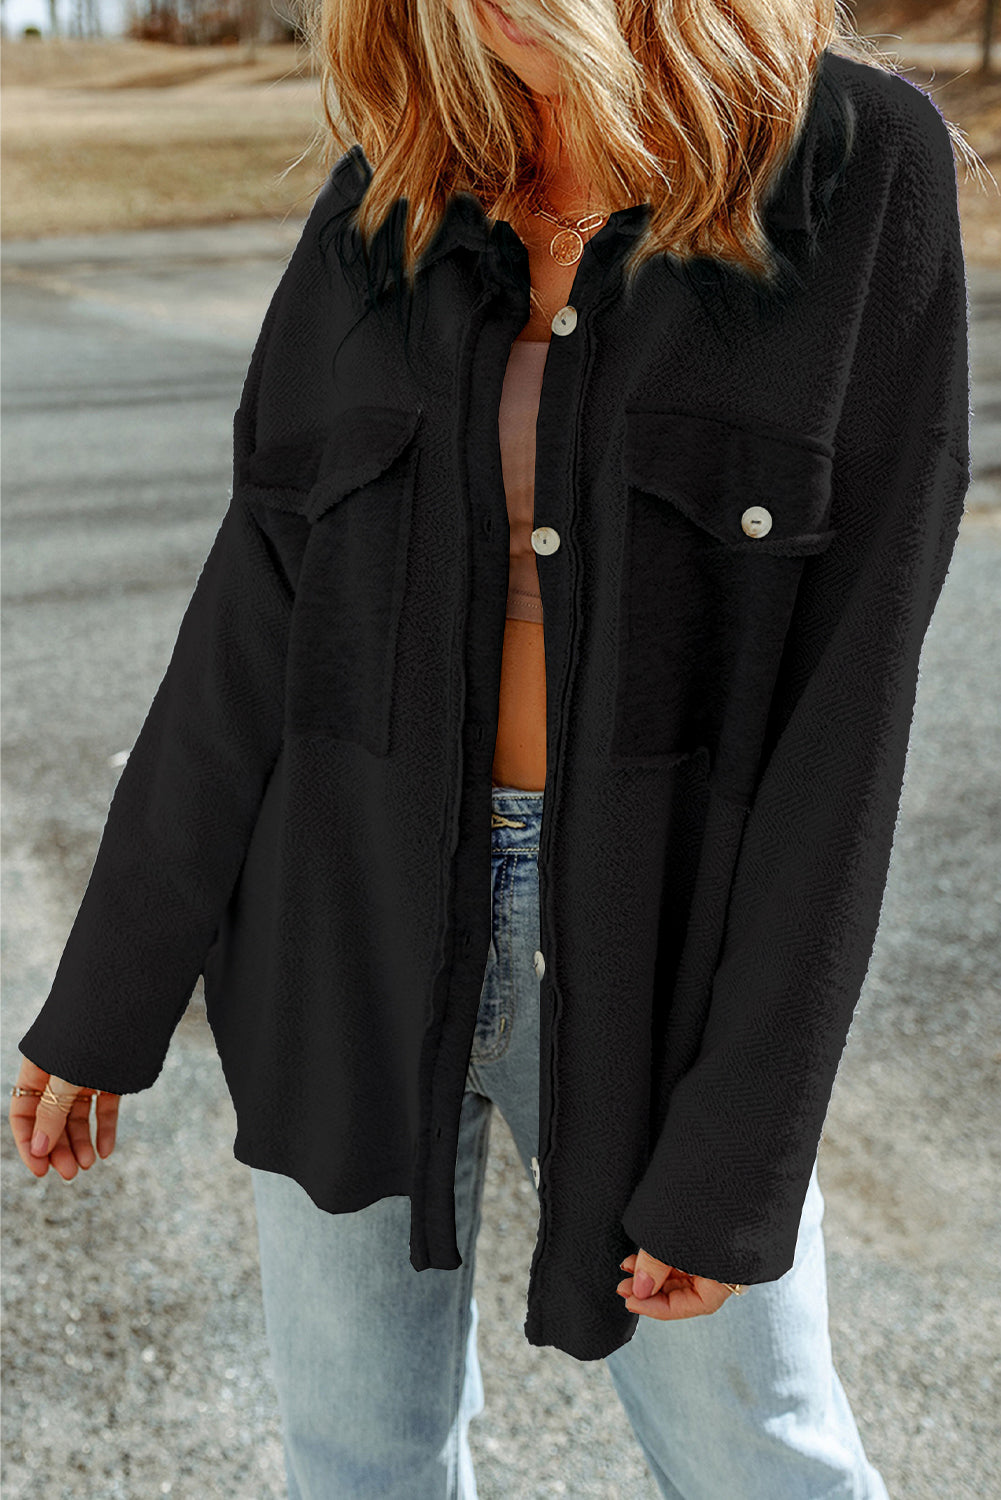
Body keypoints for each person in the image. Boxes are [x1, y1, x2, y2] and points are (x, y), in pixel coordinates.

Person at [12, 2, 975, 1496]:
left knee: (764, 1458)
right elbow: (253, 615)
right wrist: (105, 996)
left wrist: (742, 1146)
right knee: (359, 1465)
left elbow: (849, 710)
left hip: (660, 954)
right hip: (343, 930)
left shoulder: (852, 163)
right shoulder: (392, 189)